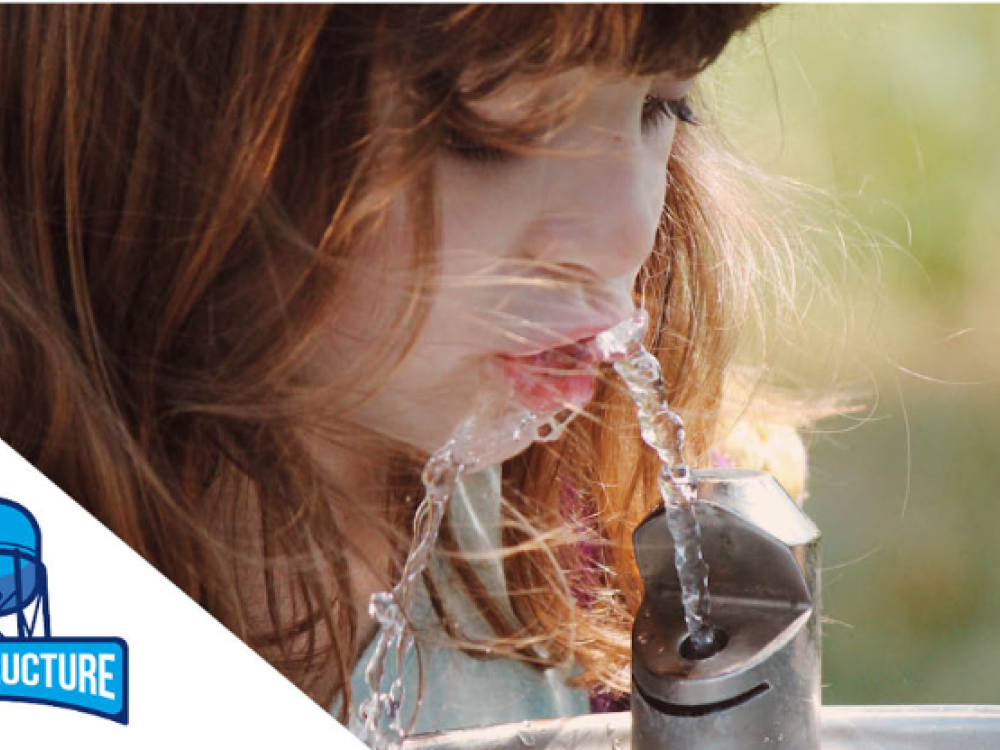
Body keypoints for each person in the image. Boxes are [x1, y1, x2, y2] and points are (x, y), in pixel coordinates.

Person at [0, 4, 814, 739]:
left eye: (662, 106)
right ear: (169, 117)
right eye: (492, 130)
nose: (623, 234)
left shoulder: (616, 543)